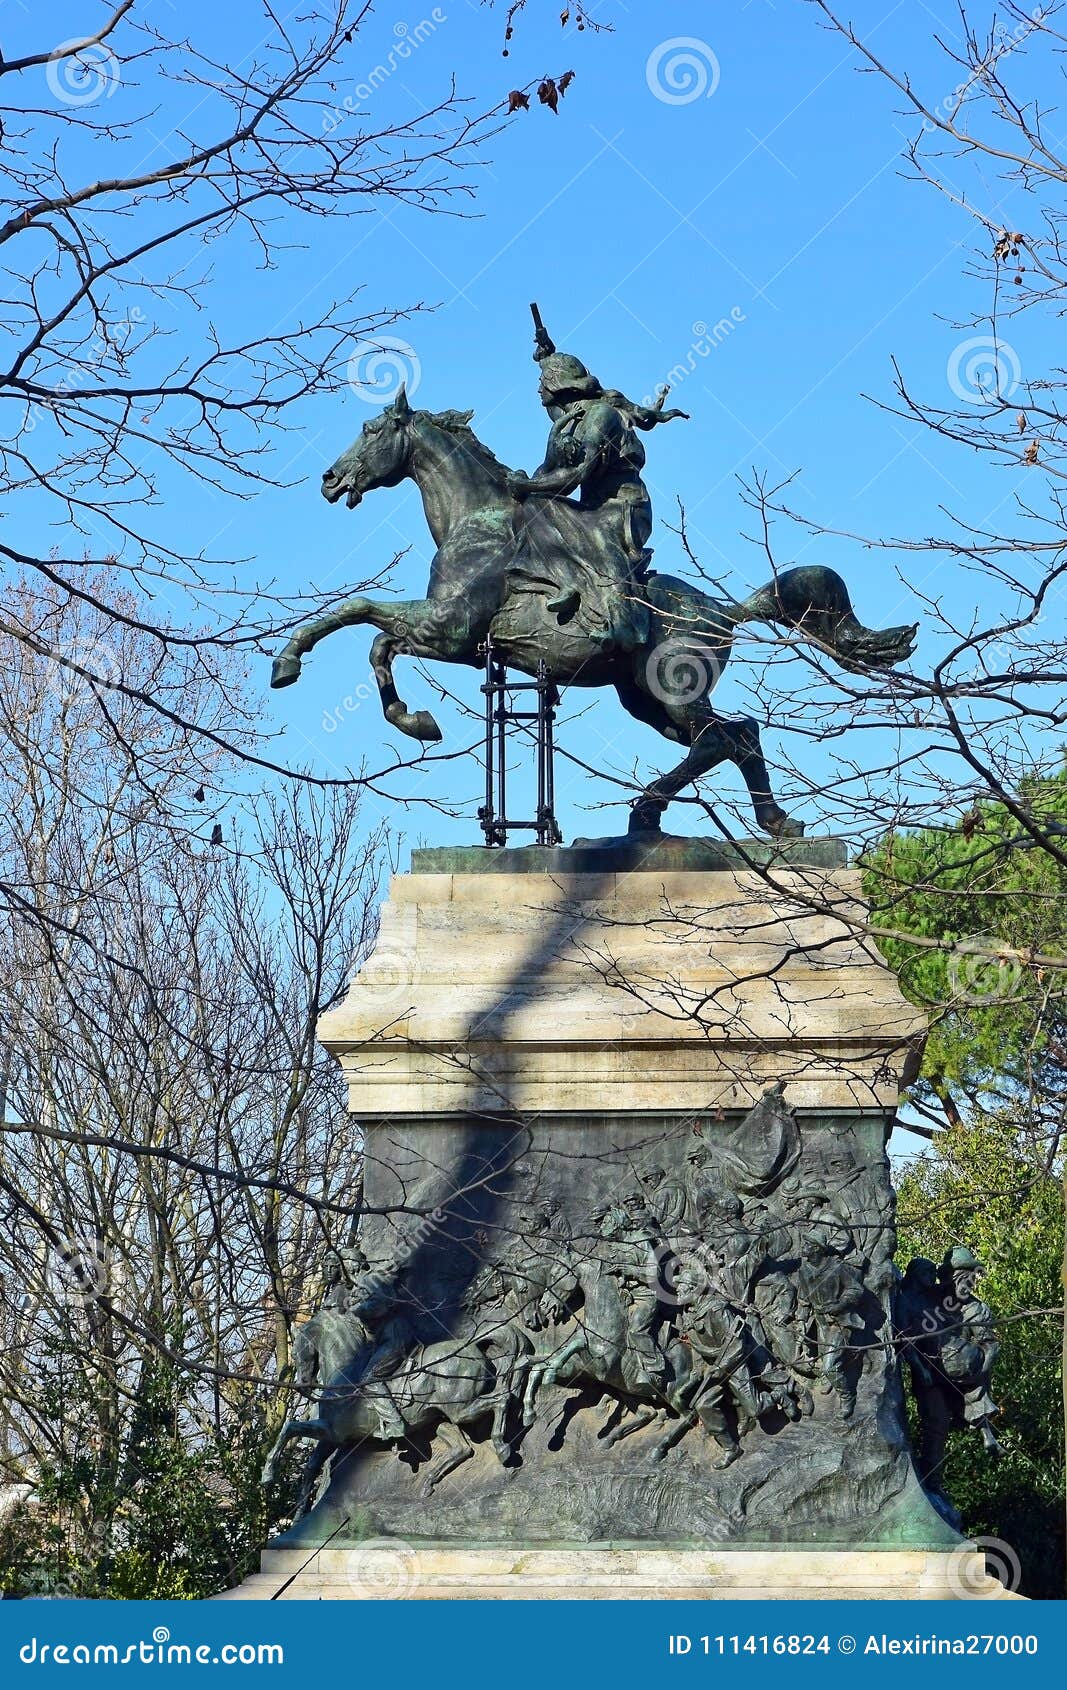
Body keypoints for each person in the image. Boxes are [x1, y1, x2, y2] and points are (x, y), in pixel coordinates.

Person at [505, 309, 687, 654]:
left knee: (597, 539)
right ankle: (566, 581)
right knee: (535, 509)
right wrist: (545, 357)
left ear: (560, 386)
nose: (538, 388)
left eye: (544, 382)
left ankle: (627, 620)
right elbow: (557, 413)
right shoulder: (573, 416)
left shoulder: (600, 418)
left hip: (624, 506)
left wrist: (527, 485)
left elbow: (577, 476)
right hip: (593, 505)